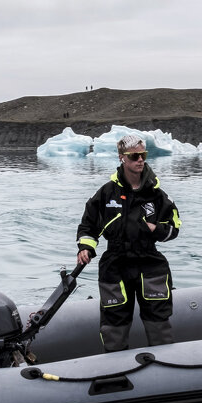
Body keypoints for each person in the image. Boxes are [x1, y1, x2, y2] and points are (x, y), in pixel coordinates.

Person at [76, 134, 181, 352]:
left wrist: (157, 229)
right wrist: (86, 247)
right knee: (114, 323)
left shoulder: (158, 195)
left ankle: (167, 372)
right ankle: (116, 370)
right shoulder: (105, 193)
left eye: (143, 155)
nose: (140, 160)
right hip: (115, 264)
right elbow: (88, 225)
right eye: (135, 156)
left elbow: (174, 228)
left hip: (150, 262)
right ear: (122, 158)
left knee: (158, 320)